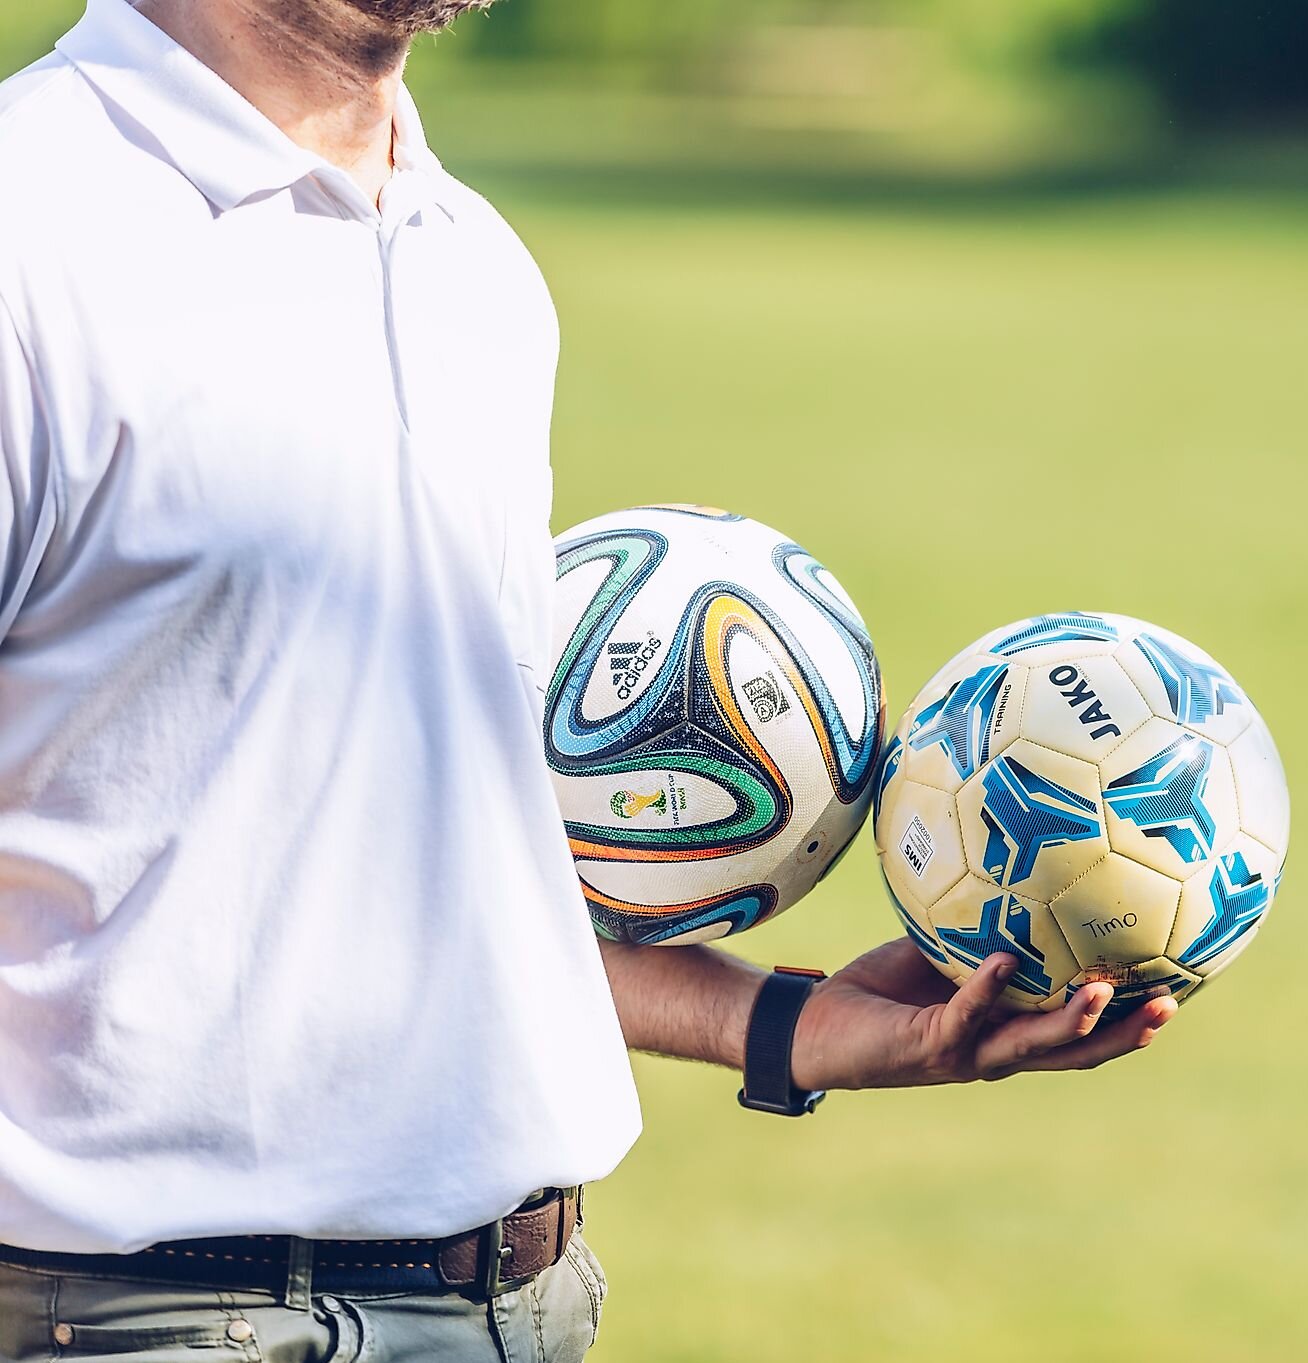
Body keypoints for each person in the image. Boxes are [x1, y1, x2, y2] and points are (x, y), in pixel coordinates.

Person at [0, 1, 1177, 1358]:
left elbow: (430, 868)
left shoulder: (470, 269)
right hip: (138, 1320)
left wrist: (793, 1026)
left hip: (515, 1306)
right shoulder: (39, 232)